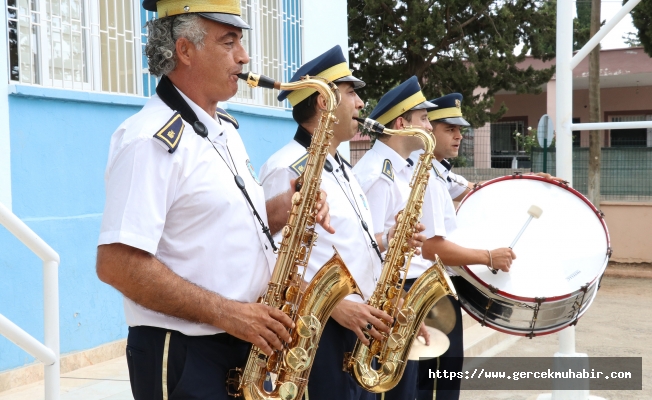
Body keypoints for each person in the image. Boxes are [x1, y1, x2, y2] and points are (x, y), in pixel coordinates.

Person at [95, 2, 330, 398]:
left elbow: (216, 226)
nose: (245, 56)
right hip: (187, 353)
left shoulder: (224, 130)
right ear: (185, 51)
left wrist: (286, 209)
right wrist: (230, 314)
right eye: (229, 41)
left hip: (241, 343)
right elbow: (117, 263)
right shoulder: (148, 139)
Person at [259, 46, 426, 400]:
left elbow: (350, 244)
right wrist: (335, 306)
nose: (362, 104)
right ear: (324, 102)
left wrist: (388, 242)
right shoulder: (287, 166)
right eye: (352, 93)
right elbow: (271, 259)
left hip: (357, 324)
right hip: (320, 330)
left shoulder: (343, 169)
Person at [415, 93, 516, 400]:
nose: (459, 135)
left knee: (444, 376)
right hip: (424, 292)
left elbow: (476, 190)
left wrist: (536, 181)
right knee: (434, 383)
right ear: (428, 130)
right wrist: (487, 257)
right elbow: (431, 247)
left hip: (437, 289)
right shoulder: (426, 176)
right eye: (449, 128)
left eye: (460, 129)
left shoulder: (439, 171)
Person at [352, 76, 438, 400]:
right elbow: (366, 249)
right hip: (381, 297)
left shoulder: (397, 170)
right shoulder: (378, 174)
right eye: (424, 119)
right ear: (402, 123)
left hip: (394, 293)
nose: (430, 127)